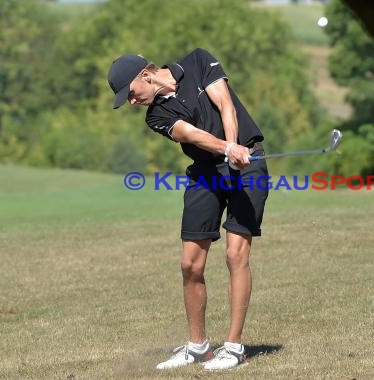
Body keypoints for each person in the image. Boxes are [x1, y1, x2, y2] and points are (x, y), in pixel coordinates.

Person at [107, 48, 269, 371]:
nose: (132, 101)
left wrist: (234, 147)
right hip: (206, 172)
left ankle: (234, 348)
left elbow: (224, 103)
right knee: (190, 264)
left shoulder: (197, 61)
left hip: (247, 164)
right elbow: (189, 133)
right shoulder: (156, 116)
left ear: (145, 75)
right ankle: (199, 347)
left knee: (236, 255)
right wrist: (226, 149)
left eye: (130, 93)